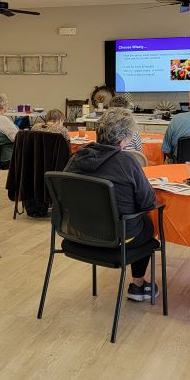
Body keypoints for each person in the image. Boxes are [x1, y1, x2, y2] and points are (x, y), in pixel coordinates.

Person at [64, 108, 160, 302]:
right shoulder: (127, 162)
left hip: (77, 232)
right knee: (147, 224)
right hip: (118, 237)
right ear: (124, 139)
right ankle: (138, 285)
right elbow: (148, 202)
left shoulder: (76, 158)